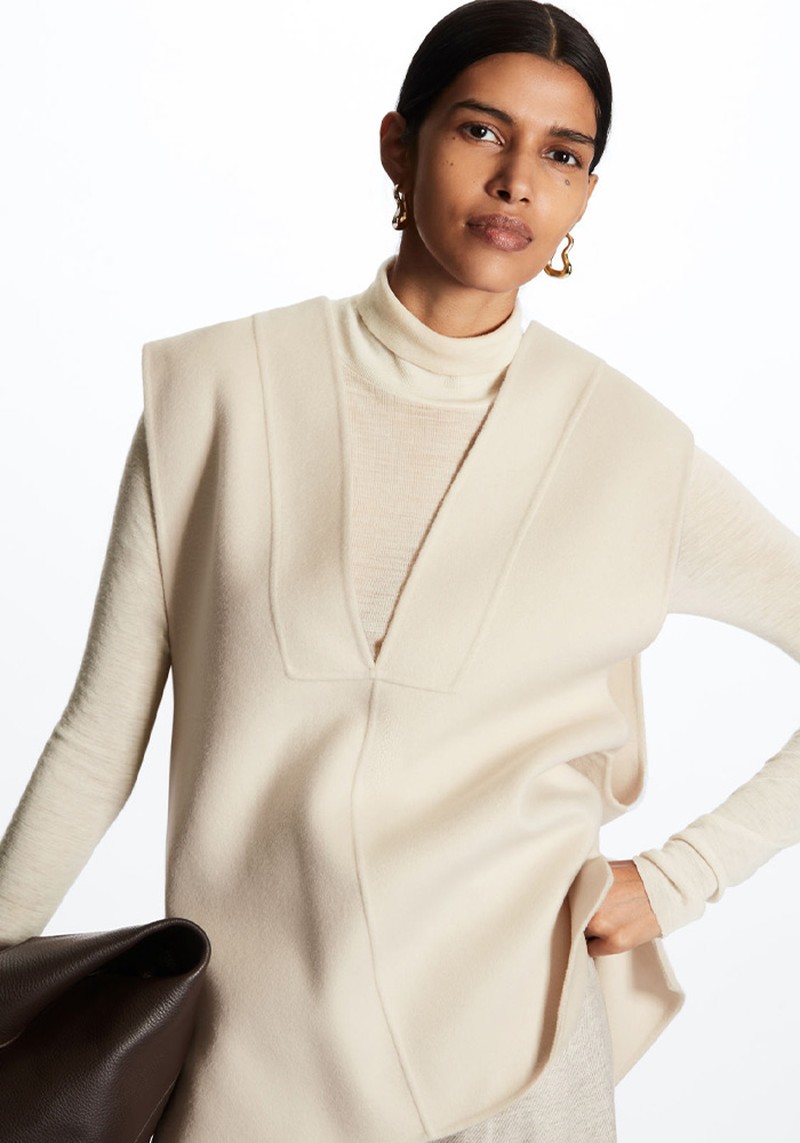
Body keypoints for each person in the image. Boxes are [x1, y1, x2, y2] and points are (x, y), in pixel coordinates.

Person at [1, 1, 799, 1140]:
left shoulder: (632, 452)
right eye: (481, 131)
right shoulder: (218, 395)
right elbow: (98, 738)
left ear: (584, 195)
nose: (517, 180)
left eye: (562, 155)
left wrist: (681, 879)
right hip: (252, 1058)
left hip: (517, 1066)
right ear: (398, 144)